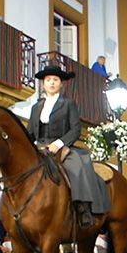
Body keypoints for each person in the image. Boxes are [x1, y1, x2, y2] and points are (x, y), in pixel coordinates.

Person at [27, 65, 108, 228]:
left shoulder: (67, 104)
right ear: (43, 84)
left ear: (61, 84)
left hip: (61, 146)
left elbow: (75, 129)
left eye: (55, 80)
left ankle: (83, 208)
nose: (51, 83)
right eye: (48, 80)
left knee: (76, 166)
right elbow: (30, 132)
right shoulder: (36, 107)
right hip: (40, 147)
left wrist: (59, 143)